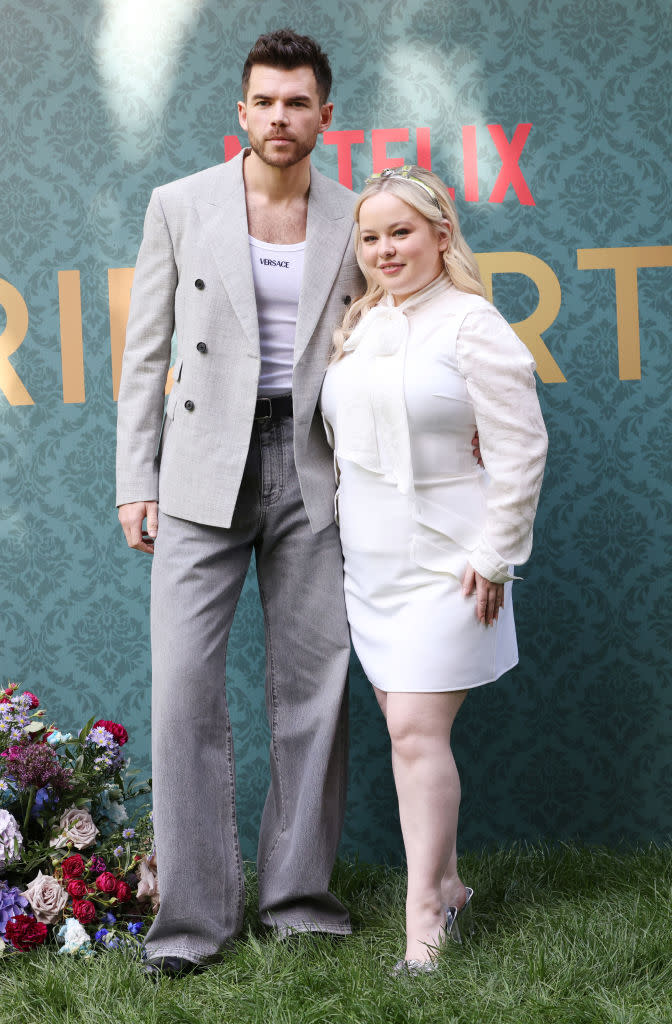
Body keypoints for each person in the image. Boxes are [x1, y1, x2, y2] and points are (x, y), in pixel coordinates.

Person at [115, 29, 365, 977]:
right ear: (241, 111)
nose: (279, 118)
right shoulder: (179, 205)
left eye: (297, 103)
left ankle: (297, 900)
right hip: (198, 463)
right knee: (183, 691)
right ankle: (192, 922)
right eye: (264, 101)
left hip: (313, 464)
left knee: (315, 690)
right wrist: (135, 478)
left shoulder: (354, 212)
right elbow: (144, 353)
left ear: (324, 115)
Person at [320, 166, 548, 974]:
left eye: (401, 232)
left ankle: (423, 920)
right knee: (403, 732)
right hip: (369, 563)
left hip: (452, 561)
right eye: (370, 235)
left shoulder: (472, 324)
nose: (384, 249)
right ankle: (447, 883)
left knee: (416, 732)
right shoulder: (356, 326)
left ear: (440, 236)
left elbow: (520, 447)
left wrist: (494, 554)